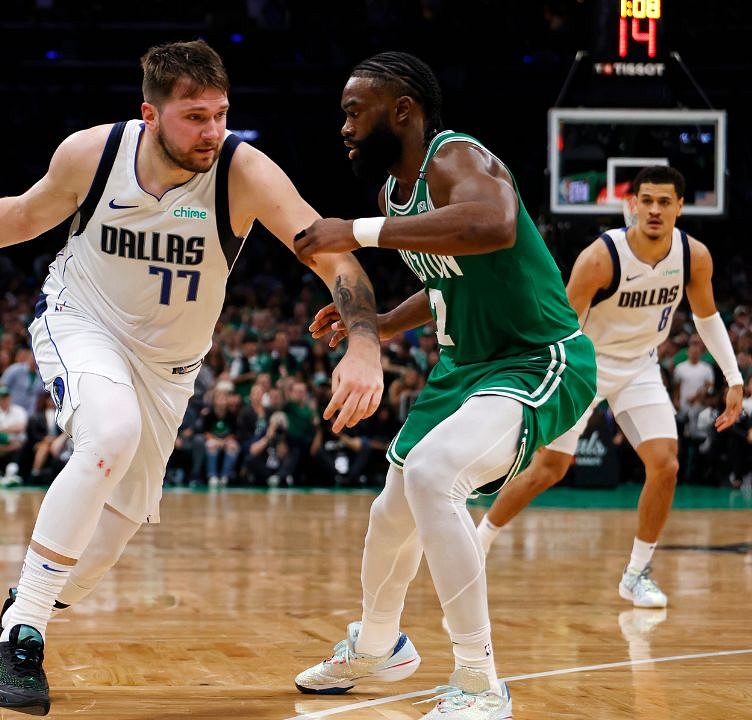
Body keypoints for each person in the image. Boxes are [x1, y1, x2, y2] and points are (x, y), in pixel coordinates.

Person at [0, 40, 384, 715]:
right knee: (110, 433)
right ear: (150, 113)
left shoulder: (242, 172)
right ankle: (24, 636)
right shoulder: (94, 154)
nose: (212, 131)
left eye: (221, 114)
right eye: (195, 116)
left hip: (167, 371)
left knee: (103, 547)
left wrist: (364, 342)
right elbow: (23, 214)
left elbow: (332, 257)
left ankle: (27, 603)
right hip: (81, 321)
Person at [290, 52, 596, 719]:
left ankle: (480, 681)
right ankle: (377, 645)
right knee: (390, 512)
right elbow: (444, 282)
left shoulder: (458, 157)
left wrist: (357, 234)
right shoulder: (392, 195)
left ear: (403, 110)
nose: (343, 127)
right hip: (463, 369)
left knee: (432, 475)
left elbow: (493, 226)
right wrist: (380, 325)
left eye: (354, 111)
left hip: (537, 358)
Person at [476, 167, 743, 608]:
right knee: (550, 469)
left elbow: (707, 318)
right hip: (585, 366)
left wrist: (733, 377)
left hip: (640, 366)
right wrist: (555, 382)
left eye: (664, 201)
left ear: (679, 206)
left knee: (666, 465)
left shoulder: (694, 256)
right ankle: (481, 541)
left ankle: (636, 574)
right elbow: (561, 326)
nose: (654, 209)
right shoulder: (600, 258)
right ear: (632, 204)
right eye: (647, 200)